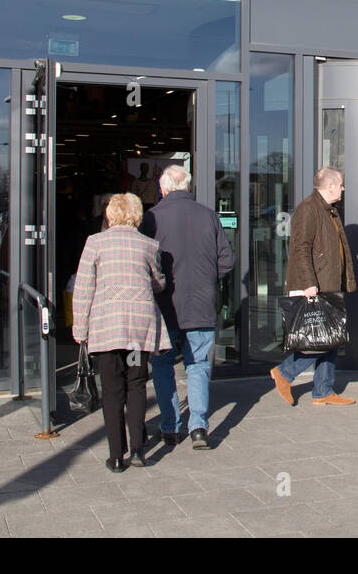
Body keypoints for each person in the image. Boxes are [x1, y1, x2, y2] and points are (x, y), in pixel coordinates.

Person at [72, 192, 168, 472]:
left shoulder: (95, 243)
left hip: (106, 328)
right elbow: (158, 282)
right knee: (137, 385)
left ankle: (116, 456)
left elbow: (83, 288)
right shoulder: (149, 245)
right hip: (138, 330)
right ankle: (138, 448)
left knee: (112, 390)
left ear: (110, 215)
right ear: (137, 215)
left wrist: (80, 327)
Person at [142, 165, 236, 450]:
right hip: (201, 304)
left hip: (165, 306)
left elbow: (143, 262)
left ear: (164, 188)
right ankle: (198, 427)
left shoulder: (152, 218)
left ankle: (170, 426)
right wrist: (209, 279)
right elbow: (227, 259)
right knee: (197, 366)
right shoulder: (208, 215)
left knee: (162, 365)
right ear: (188, 187)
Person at [269, 168, 357, 406]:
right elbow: (300, 248)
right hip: (315, 283)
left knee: (331, 337)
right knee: (318, 338)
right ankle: (284, 373)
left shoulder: (330, 210)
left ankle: (323, 390)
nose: (343, 188)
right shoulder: (309, 209)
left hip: (329, 282)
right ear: (330, 186)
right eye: (340, 185)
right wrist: (309, 283)